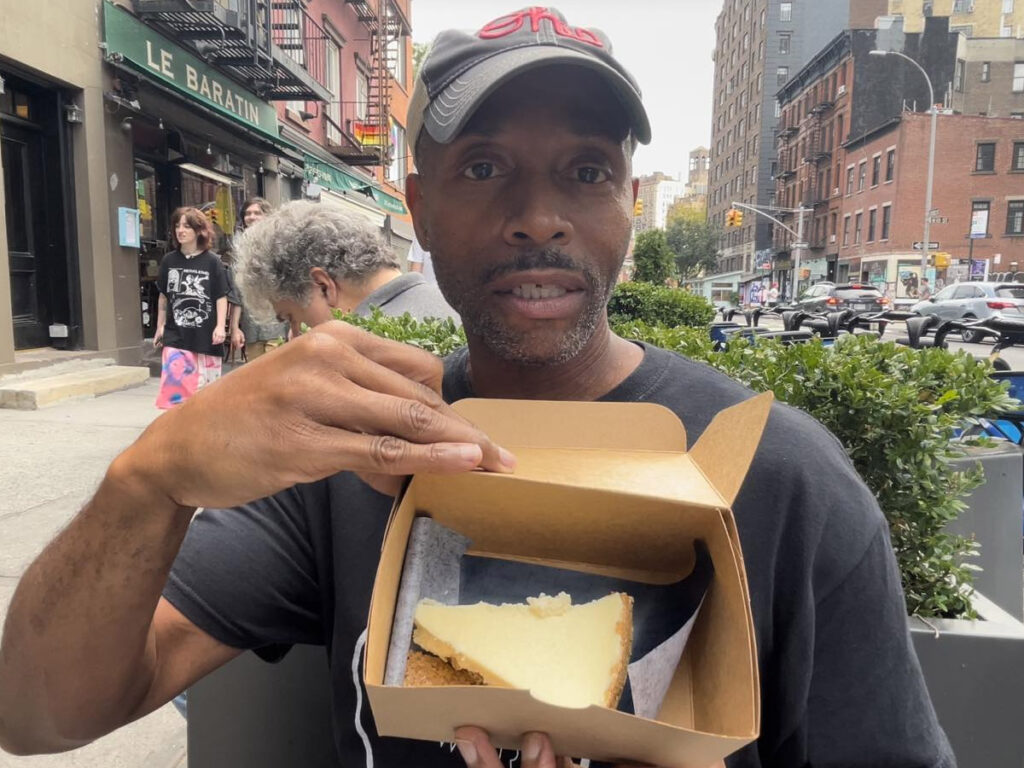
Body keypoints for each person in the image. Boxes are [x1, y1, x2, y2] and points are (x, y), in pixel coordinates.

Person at [0, 8, 952, 768]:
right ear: (416, 208)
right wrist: (150, 479)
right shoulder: (344, 460)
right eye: (484, 167)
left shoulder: (781, 477)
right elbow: (41, 717)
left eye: (586, 171)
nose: (539, 219)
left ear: (627, 199)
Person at [233, 201, 459, 338]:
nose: (296, 334)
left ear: (324, 287)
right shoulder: (457, 307)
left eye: (291, 318)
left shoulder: (355, 355)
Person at [152, 207, 227, 408]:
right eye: (177, 226)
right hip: (176, 332)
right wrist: (160, 326)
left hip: (205, 334)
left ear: (199, 230)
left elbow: (220, 296)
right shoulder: (169, 260)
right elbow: (163, 297)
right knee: (175, 386)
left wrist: (220, 326)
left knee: (205, 390)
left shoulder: (212, 262)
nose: (180, 230)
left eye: (186, 226)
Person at [225, 197, 288, 361]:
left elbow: (288, 288)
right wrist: (234, 328)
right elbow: (237, 294)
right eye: (248, 213)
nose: (251, 217)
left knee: (275, 371)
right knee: (257, 375)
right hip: (251, 326)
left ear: (267, 216)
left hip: (277, 323)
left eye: (257, 213)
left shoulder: (279, 245)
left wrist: (294, 325)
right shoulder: (239, 249)